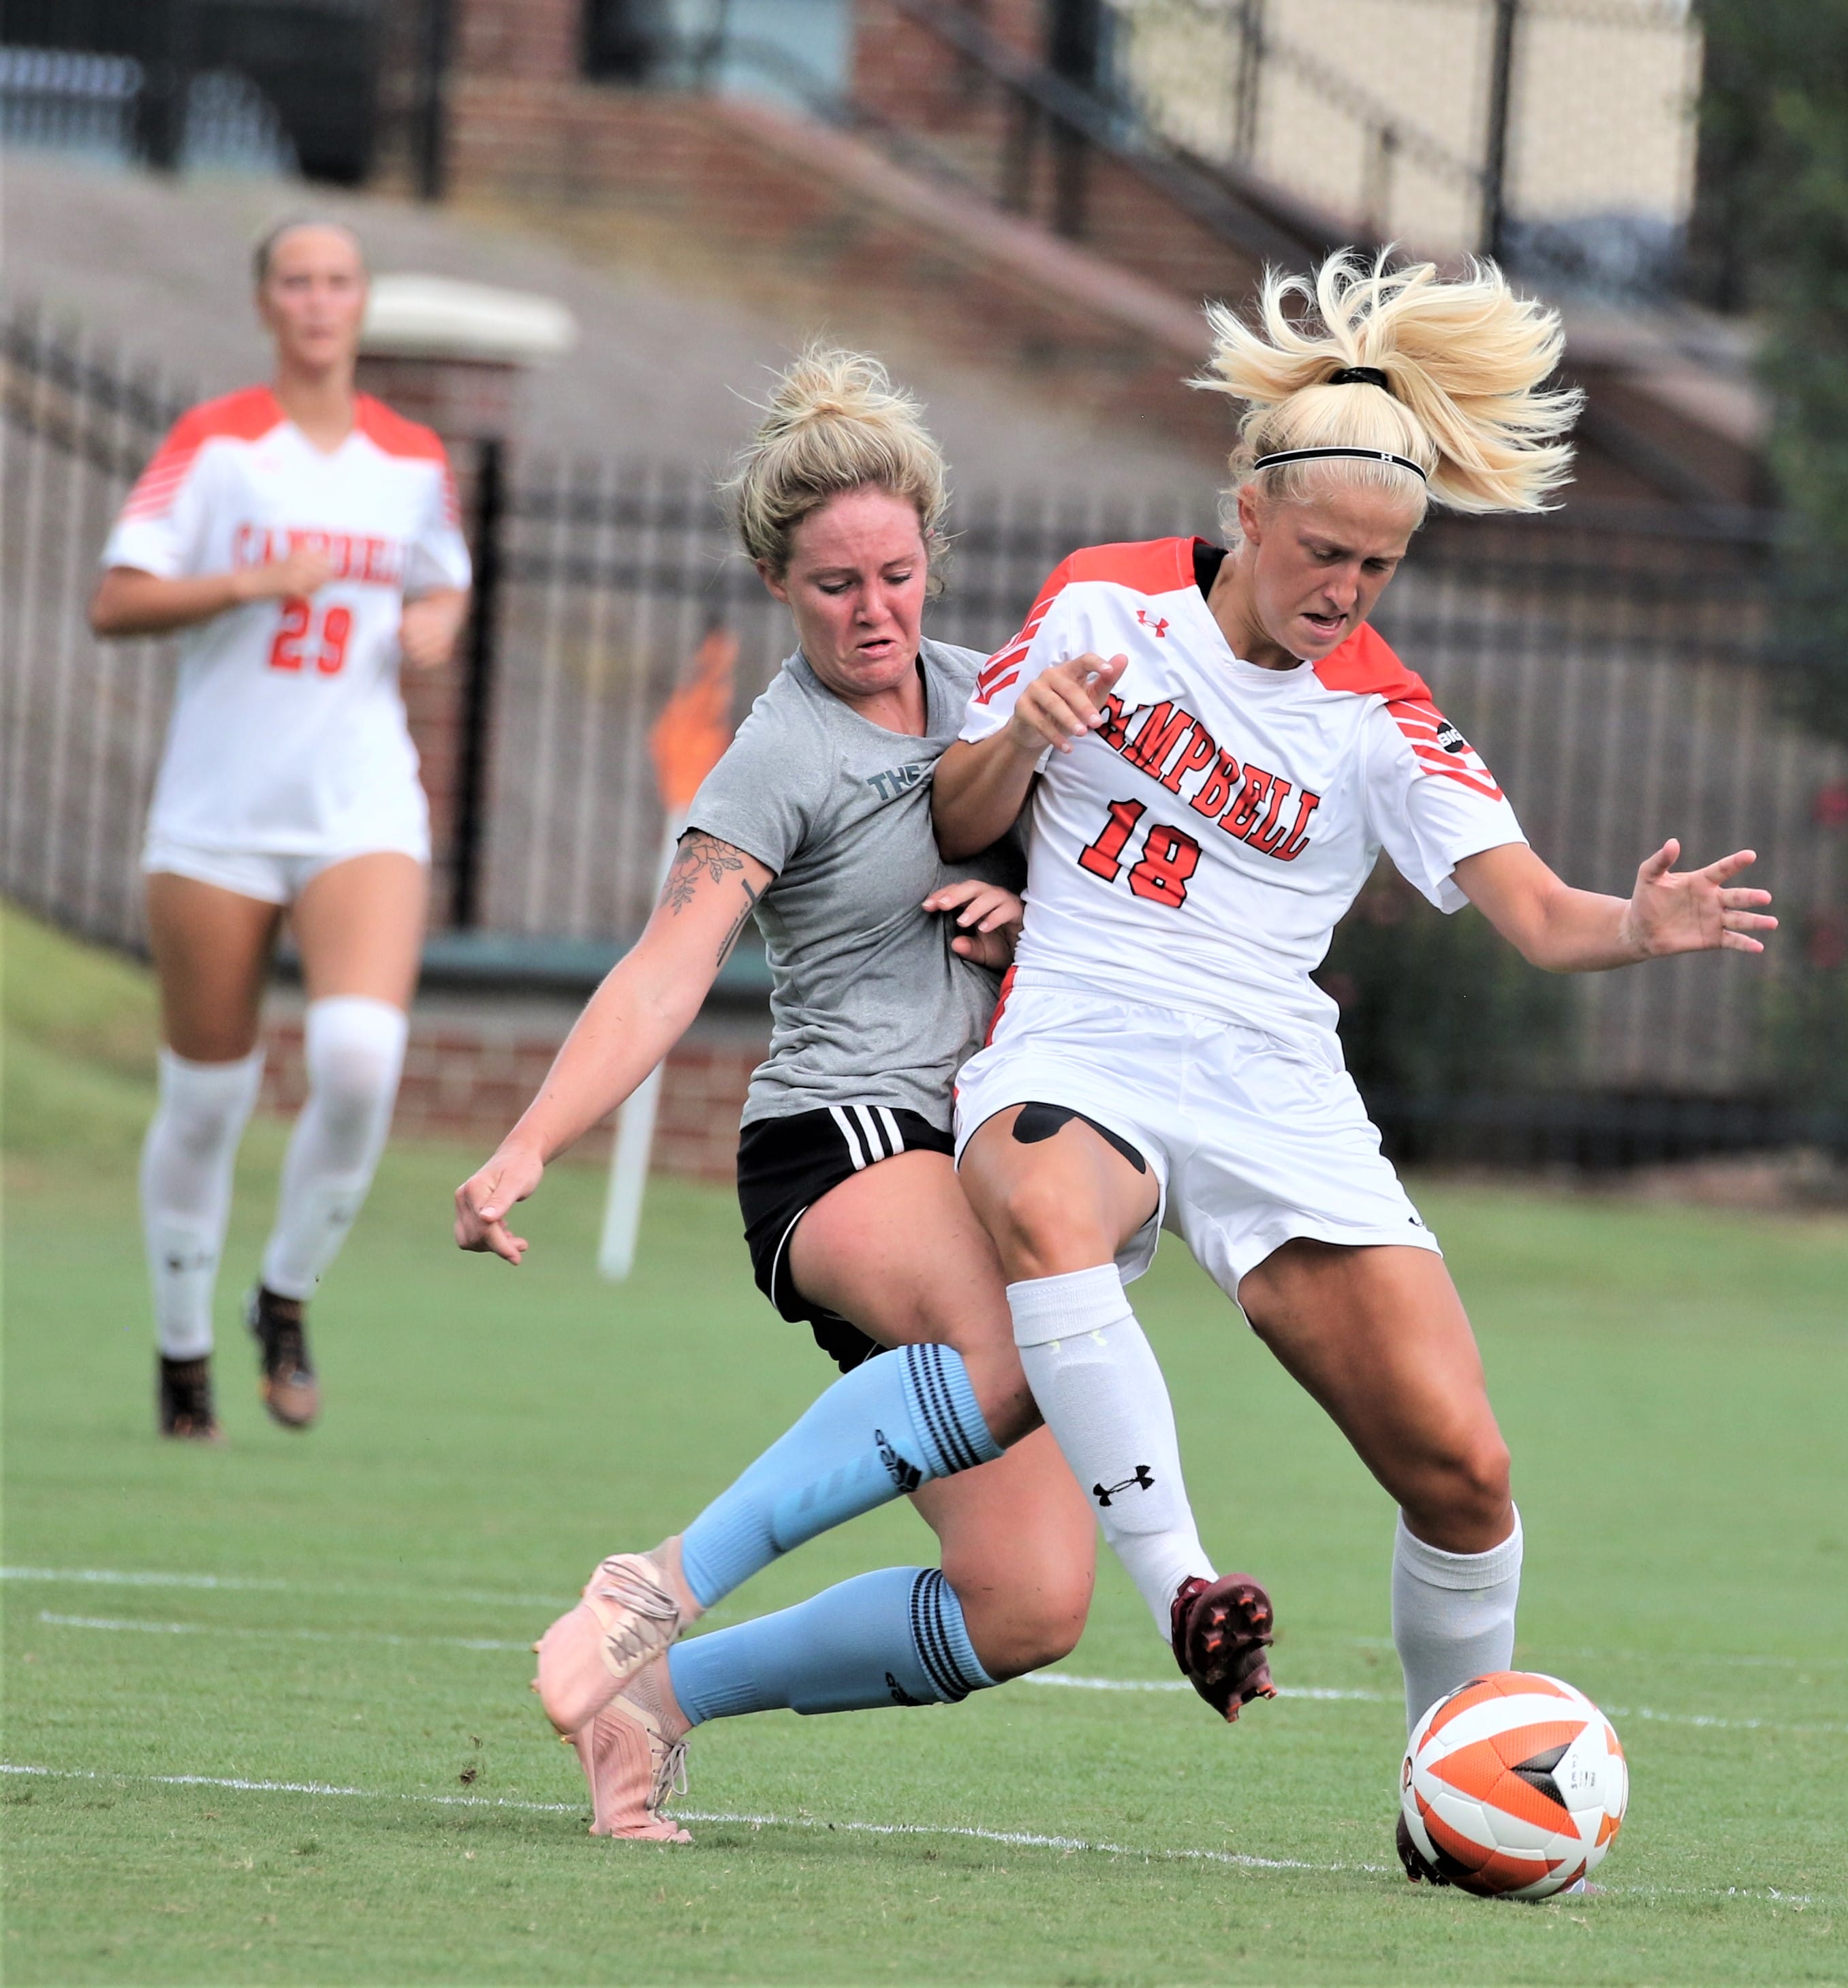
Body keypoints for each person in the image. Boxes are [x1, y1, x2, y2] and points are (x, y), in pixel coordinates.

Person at [926, 251, 1776, 1865]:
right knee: (1046, 1204)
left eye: (1380, 566)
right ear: (1248, 508)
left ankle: (1447, 1795)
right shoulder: (1104, 602)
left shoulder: (1382, 714)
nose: (1347, 590)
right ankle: (1185, 1588)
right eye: (1325, 551)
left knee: (1463, 1470)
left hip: (1273, 1084)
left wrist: (1635, 922)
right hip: (1085, 1026)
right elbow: (956, 814)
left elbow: (1538, 916)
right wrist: (1027, 729)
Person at [452, 350, 1093, 1843]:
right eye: (834, 585)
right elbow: (665, 969)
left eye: (898, 576)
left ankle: (654, 1702)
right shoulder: (778, 754)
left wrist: (1033, 923)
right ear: (773, 583)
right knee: (1016, 1342)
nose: (875, 612)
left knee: (1028, 1602)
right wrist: (528, 1143)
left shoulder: (997, 697)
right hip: (842, 1144)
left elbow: (1115, 904)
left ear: (933, 557)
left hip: (970, 1159)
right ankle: (654, 1584)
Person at [88, 219, 472, 1442]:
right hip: (218, 813)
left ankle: (285, 1294)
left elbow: (445, 575)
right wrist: (247, 582)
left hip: (360, 802)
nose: (318, 301)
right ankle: (182, 1352)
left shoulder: (411, 456)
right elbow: (116, 600)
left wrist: (441, 618)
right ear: (266, 302)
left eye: (337, 281)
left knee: (359, 1061)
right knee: (207, 1099)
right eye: (296, 281)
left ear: (362, 303)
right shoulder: (214, 444)